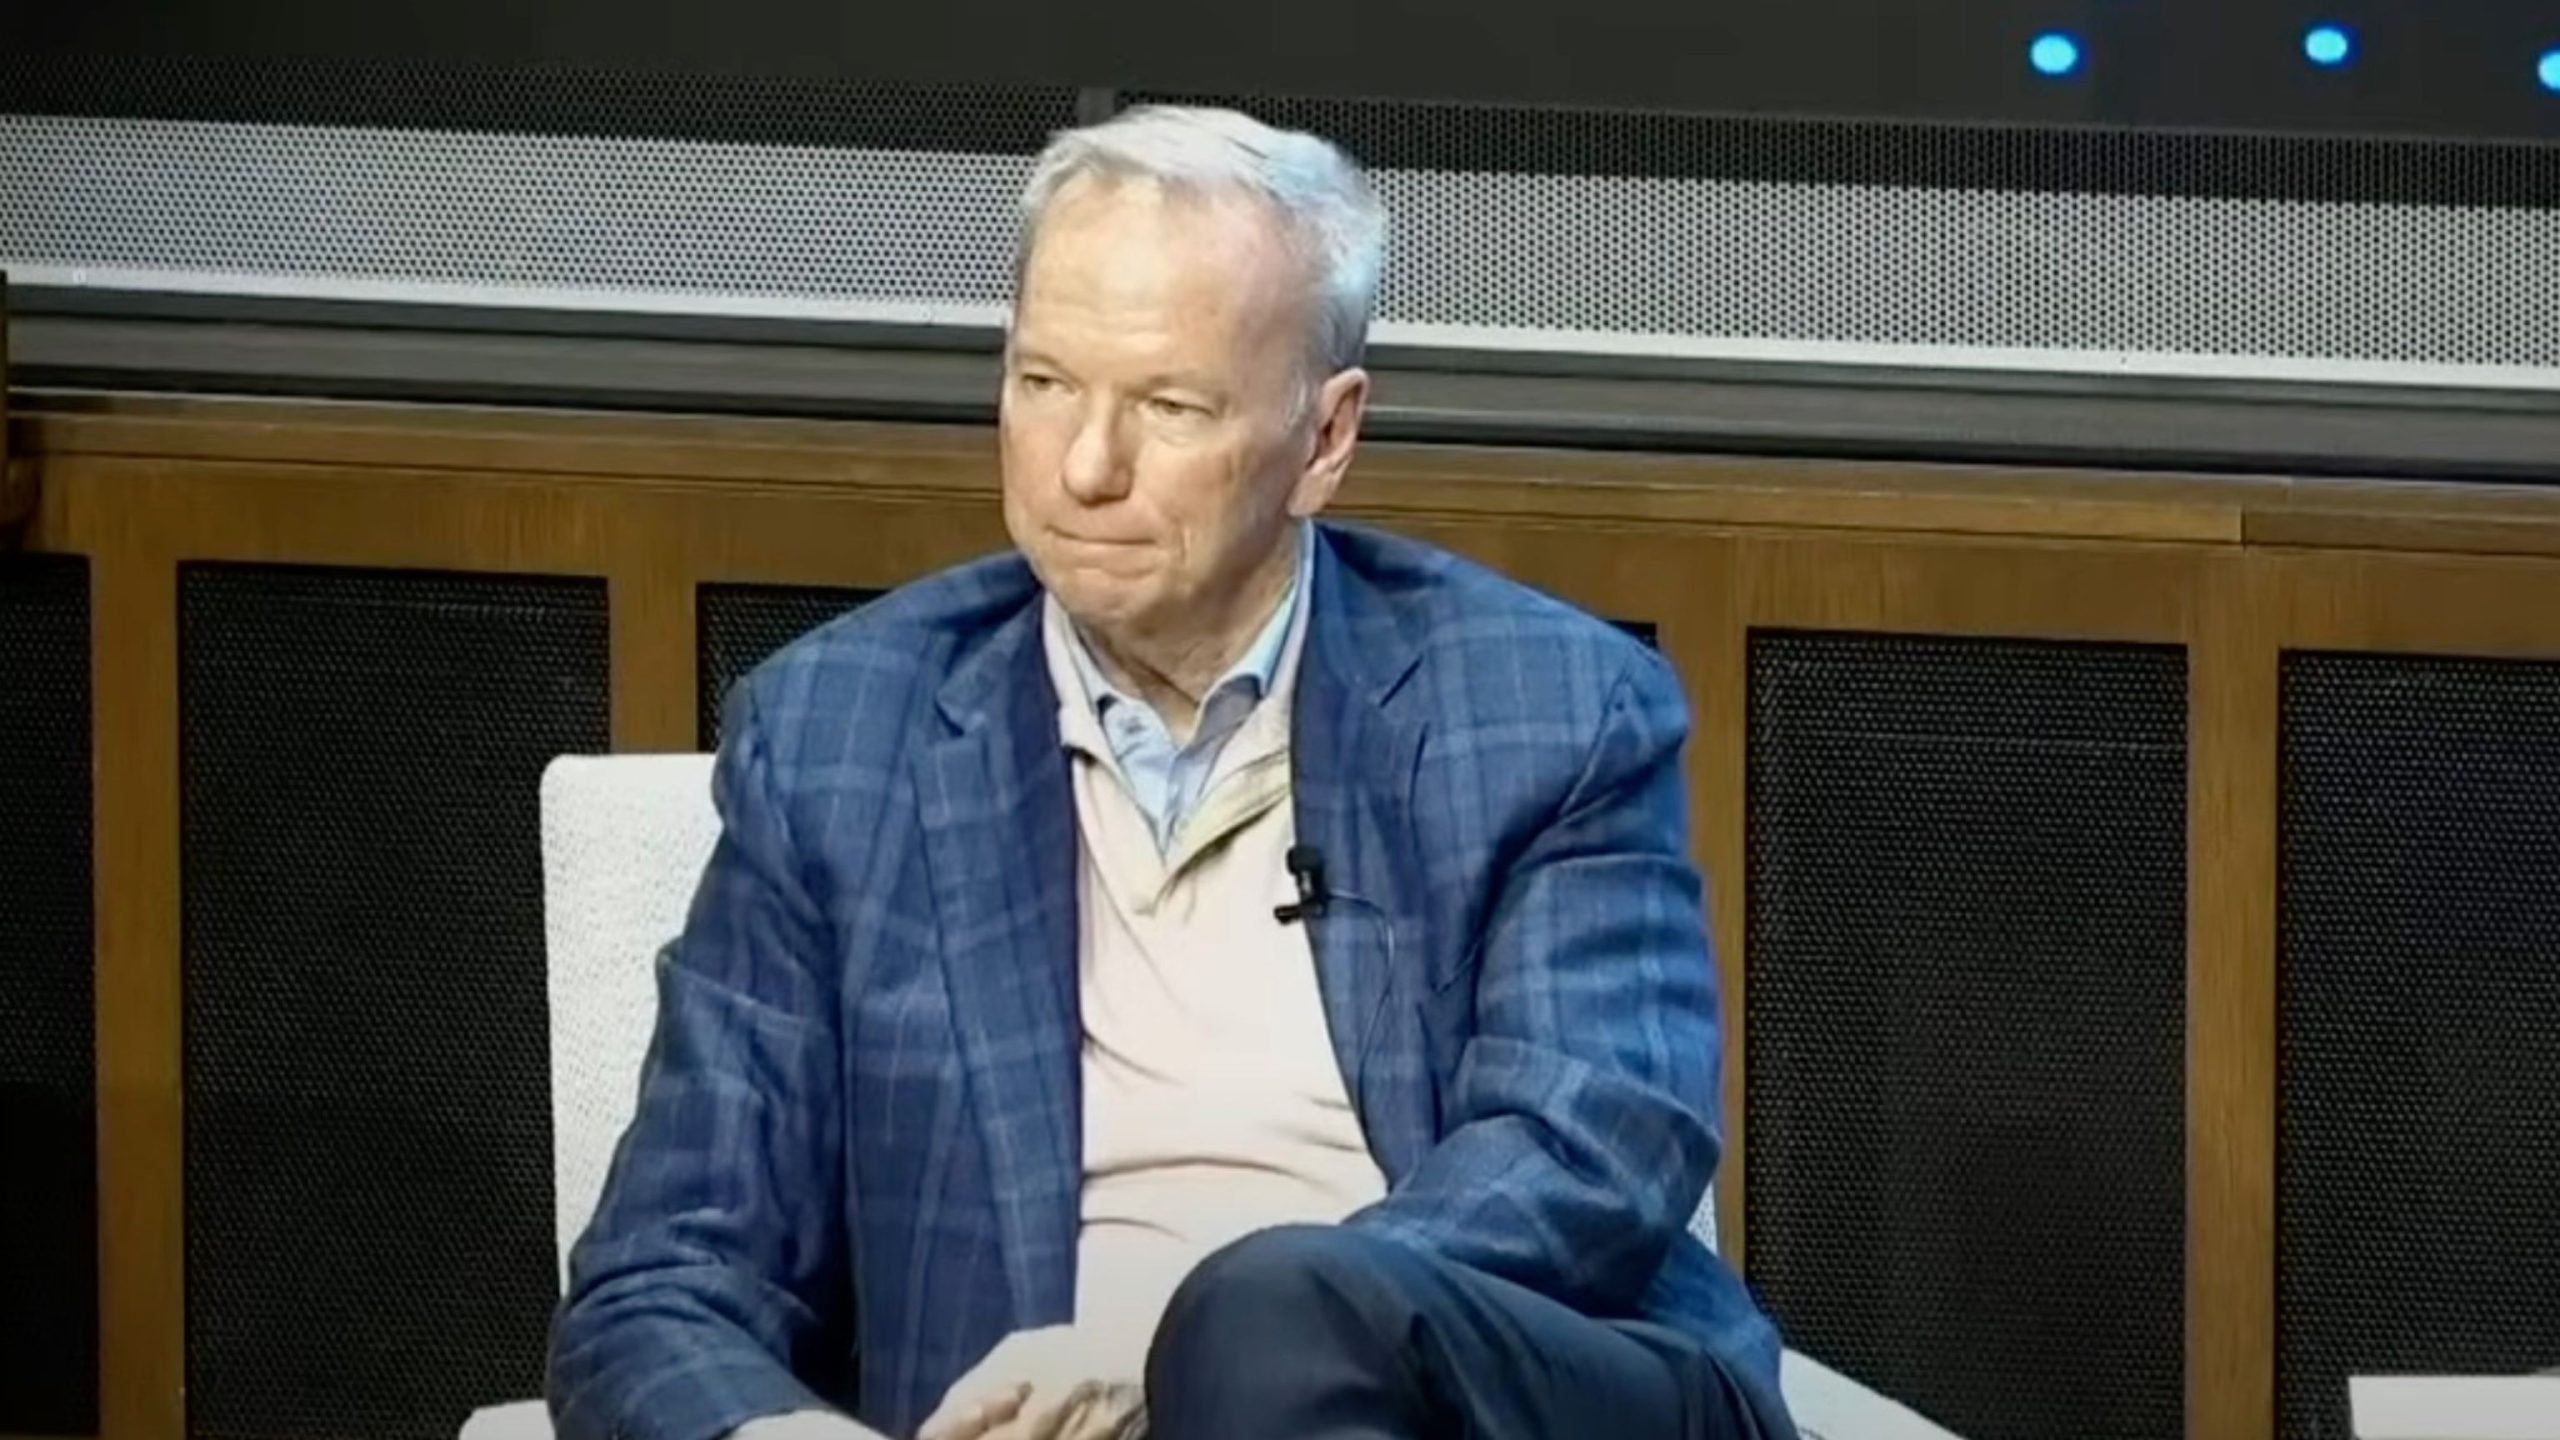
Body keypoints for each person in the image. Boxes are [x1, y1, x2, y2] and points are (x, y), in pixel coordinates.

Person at [547, 104, 1794, 1440]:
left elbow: (1592, 1148)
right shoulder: (843, 737)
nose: (1085, 467)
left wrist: (1178, 1350)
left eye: (1169, 407)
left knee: (1270, 1322)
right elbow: (660, 1275)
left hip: (1490, 1394)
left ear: (1325, 441)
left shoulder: (1548, 706)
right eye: (1043, 385)